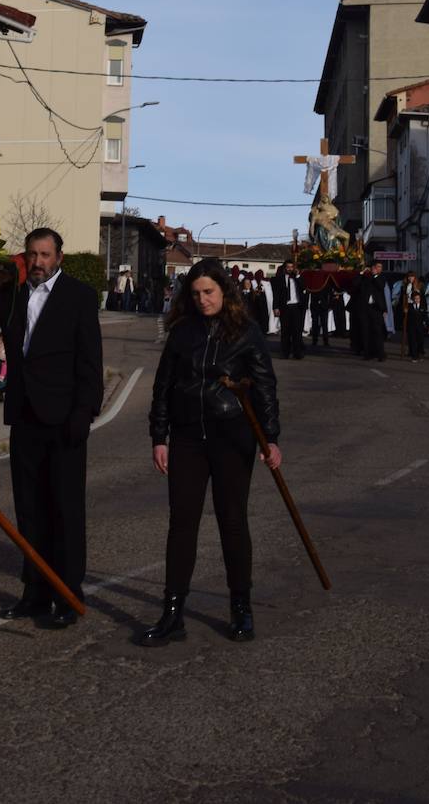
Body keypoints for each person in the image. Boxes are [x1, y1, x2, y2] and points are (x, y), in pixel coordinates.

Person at [139, 259, 281, 647]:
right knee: (181, 524)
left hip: (233, 437)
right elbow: (162, 387)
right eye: (197, 293)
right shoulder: (181, 333)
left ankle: (241, 607)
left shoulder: (246, 332)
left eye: (210, 292)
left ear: (224, 292)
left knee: (232, 521)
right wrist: (159, 436)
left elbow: (265, 386)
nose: (203, 300)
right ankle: (172, 613)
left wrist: (271, 437)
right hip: (187, 438)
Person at [1, 228, 103, 628]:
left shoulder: (78, 296)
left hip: (63, 420)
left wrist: (84, 412)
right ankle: (35, 592)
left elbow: (90, 358)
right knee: (29, 508)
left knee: (64, 508)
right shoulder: (15, 295)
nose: (38, 261)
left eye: (45, 254)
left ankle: (67, 592)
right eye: (32, 255)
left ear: (59, 256)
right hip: (24, 416)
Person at [272, 260, 308, 359]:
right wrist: (275, 307)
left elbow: (304, 287)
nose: (290, 269)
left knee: (297, 331)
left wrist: (297, 276)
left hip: (296, 307)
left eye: (291, 267)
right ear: (285, 268)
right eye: (288, 267)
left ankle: (297, 353)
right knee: (285, 331)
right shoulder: (279, 279)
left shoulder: (298, 278)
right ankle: (285, 353)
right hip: (285, 308)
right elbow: (276, 295)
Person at [405, 289, 427, 361]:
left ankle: (420, 354)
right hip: (412, 327)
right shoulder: (409, 307)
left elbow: (425, 316)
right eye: (415, 298)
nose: (417, 300)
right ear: (412, 299)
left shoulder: (422, 307)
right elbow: (405, 317)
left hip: (420, 327)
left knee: (420, 341)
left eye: (418, 298)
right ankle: (414, 356)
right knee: (413, 342)